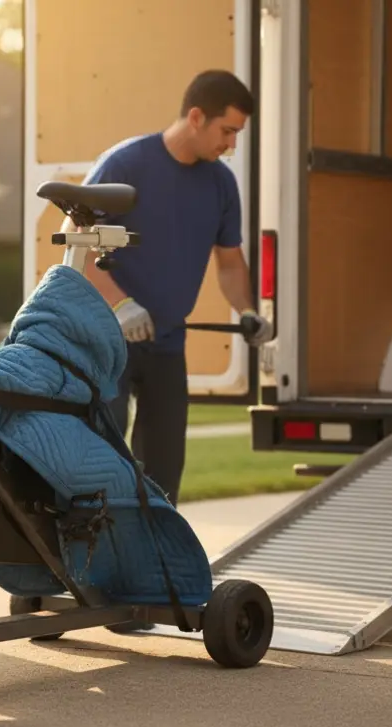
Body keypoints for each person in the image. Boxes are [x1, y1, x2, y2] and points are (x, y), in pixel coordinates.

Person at [73, 69, 272, 510]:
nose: (231, 145)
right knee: (102, 466)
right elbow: (77, 241)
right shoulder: (125, 165)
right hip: (109, 343)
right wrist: (120, 305)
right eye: (227, 131)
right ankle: (94, 549)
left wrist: (246, 311)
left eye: (237, 134)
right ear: (197, 117)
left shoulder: (220, 184)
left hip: (167, 346)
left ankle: (156, 552)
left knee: (163, 478)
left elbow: (230, 262)